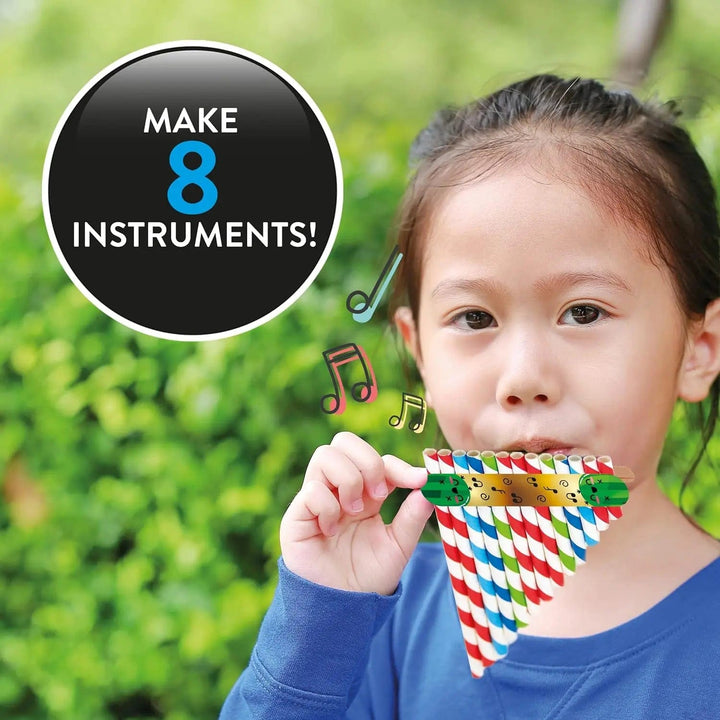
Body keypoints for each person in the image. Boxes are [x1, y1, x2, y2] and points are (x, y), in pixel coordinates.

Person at [218, 73, 720, 719]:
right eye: (475, 320)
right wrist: (320, 625)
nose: (523, 379)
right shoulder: (378, 614)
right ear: (420, 350)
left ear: (699, 348)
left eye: (585, 312)